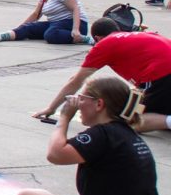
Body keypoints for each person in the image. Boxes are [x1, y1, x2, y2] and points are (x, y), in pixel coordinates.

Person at [17, 76, 160, 195]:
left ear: (99, 104)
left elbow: (55, 154)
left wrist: (64, 118)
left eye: (81, 99)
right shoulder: (129, 135)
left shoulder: (101, 134)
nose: (77, 105)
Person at [34, 17, 171, 134]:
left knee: (132, 122)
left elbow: (76, 81)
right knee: (158, 111)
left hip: (162, 73)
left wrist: (51, 108)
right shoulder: (136, 35)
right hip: (163, 72)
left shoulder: (105, 44)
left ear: (97, 38)